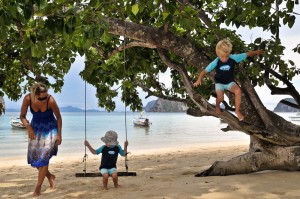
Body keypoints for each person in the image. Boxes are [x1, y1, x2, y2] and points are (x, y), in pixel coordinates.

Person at [193, 39, 264, 121]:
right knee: (221, 97)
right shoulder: (216, 61)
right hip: (219, 83)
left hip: (230, 82)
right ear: (218, 54)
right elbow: (204, 71)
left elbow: (246, 54)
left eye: (227, 56)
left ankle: (237, 111)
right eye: (222, 56)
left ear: (229, 53)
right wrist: (199, 79)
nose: (225, 59)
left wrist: (256, 52)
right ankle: (217, 106)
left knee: (238, 91)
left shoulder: (233, 58)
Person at [20, 82, 62, 197]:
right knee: (35, 161)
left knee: (44, 158)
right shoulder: (28, 99)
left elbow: (58, 117)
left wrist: (59, 134)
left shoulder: (51, 100)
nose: (44, 99)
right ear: (34, 94)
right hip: (35, 129)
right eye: (41, 98)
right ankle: (50, 176)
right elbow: (22, 116)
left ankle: (38, 188)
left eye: (45, 96)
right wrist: (28, 128)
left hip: (50, 130)